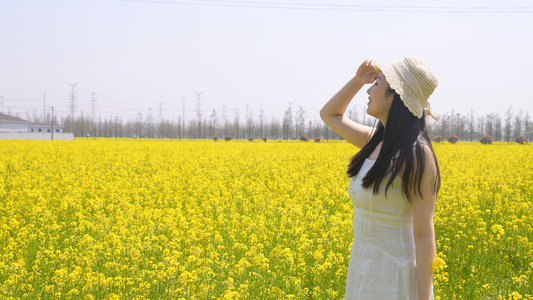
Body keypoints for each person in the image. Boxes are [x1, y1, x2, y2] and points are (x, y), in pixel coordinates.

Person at [320, 57, 441, 300]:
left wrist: (423, 297)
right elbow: (329, 114)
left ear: (396, 96)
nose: (369, 89)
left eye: (377, 83)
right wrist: (356, 80)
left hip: (395, 276)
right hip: (363, 268)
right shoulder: (374, 140)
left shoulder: (415, 154)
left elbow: (424, 235)